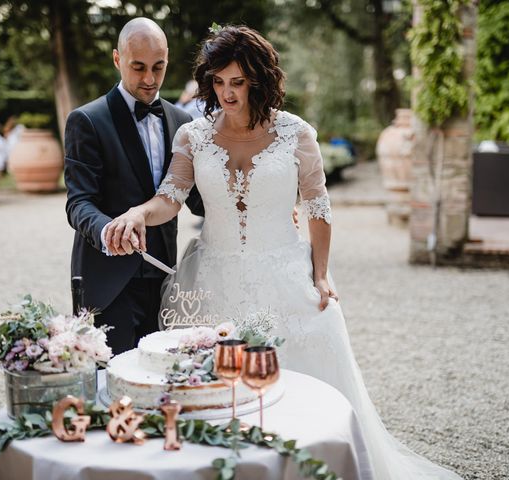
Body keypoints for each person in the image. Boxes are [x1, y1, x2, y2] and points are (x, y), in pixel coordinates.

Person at [105, 25, 463, 480]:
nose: (227, 92)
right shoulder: (193, 136)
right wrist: (138, 213)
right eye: (218, 82)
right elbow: (170, 199)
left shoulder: (295, 133)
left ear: (258, 78)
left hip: (284, 276)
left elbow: (318, 207)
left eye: (237, 82)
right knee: (215, 403)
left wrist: (321, 275)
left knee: (299, 402)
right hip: (210, 280)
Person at [64, 17, 203, 355]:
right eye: (138, 67)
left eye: (159, 67)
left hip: (165, 280)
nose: (150, 79)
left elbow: (199, 200)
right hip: (107, 279)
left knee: (160, 381)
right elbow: (79, 202)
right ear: (117, 59)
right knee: (111, 384)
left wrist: (251, 202)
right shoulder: (87, 120)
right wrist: (111, 230)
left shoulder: (183, 122)